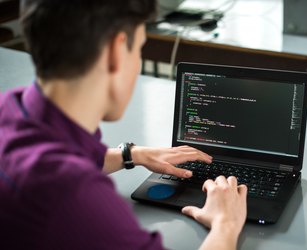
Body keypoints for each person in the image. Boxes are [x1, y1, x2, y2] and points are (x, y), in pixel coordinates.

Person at [0, 0, 248, 249]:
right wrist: (226, 223)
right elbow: (62, 185)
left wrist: (129, 155)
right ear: (115, 53)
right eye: (139, 48)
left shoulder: (9, 107)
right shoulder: (76, 198)